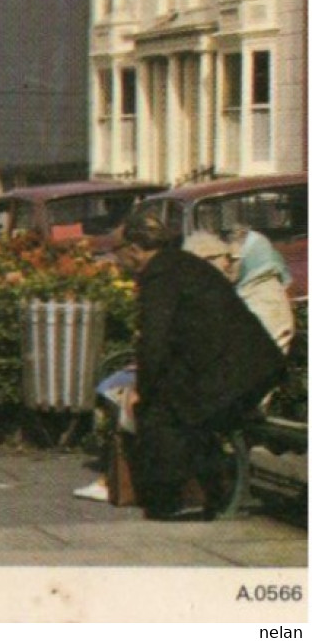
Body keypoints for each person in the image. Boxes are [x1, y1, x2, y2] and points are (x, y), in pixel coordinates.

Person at [117, 209, 286, 520]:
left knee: (162, 414)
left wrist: (144, 388)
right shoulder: (181, 264)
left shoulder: (160, 276)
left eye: (118, 252)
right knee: (185, 408)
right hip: (250, 368)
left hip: (238, 375)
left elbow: (155, 340)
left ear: (135, 250)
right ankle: (209, 492)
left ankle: (172, 499)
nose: (116, 260)